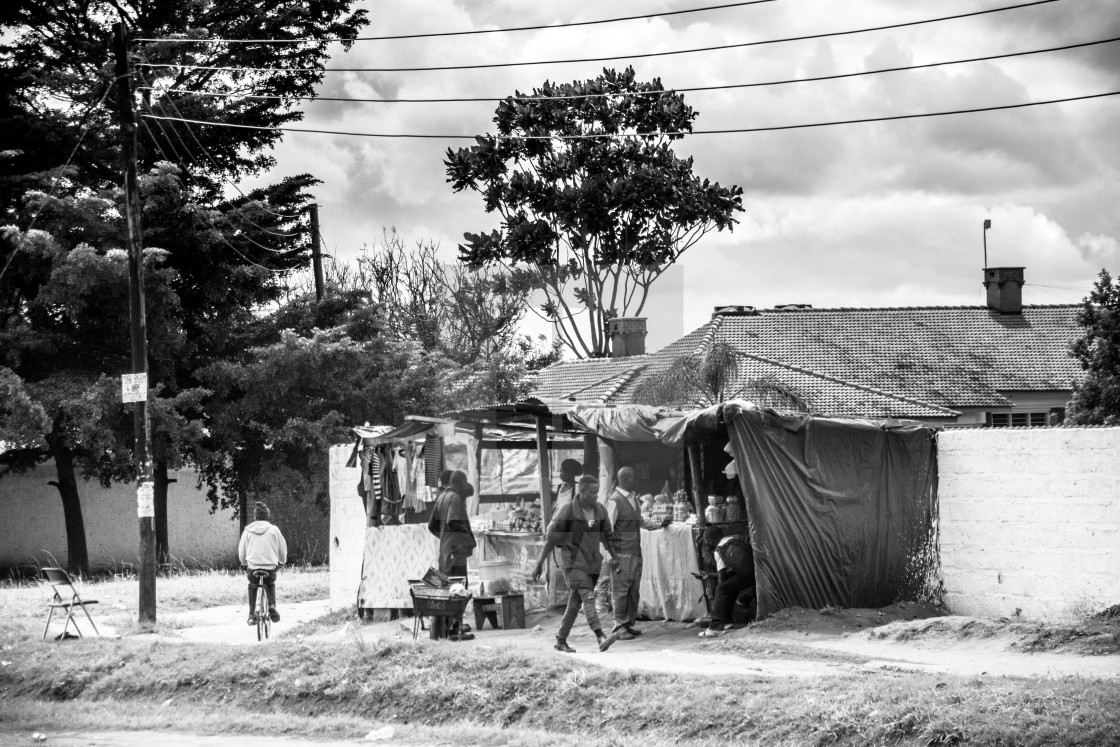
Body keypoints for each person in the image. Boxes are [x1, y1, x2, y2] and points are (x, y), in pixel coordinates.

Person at [532, 475, 623, 653]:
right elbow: (551, 539)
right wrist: (540, 563)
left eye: (597, 493)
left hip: (592, 562)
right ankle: (600, 637)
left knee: (574, 604)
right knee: (588, 597)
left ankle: (561, 640)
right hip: (573, 563)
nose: (596, 496)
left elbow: (608, 537)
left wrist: (614, 556)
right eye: (592, 493)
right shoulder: (567, 511)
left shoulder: (601, 511)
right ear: (581, 492)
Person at [606, 465, 671, 640]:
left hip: (634, 552)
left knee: (632, 591)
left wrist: (658, 525)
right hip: (620, 554)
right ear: (625, 479)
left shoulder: (633, 499)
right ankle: (619, 626)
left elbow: (640, 521)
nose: (637, 480)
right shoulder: (614, 501)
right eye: (634, 477)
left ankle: (627, 623)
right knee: (620, 591)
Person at [427, 470, 476, 640]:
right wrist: (467, 536)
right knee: (458, 590)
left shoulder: (441, 497)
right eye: (464, 483)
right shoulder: (455, 498)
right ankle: (455, 631)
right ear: (459, 483)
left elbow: (431, 525)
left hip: (446, 551)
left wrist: (445, 538)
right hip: (456, 551)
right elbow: (453, 522)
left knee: (448, 590)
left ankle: (449, 630)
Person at [698, 526, 756, 638]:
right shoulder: (735, 540)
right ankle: (726, 621)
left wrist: (719, 596)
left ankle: (716, 626)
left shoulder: (719, 550)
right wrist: (709, 575)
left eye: (706, 541)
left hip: (747, 576)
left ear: (710, 540)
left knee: (722, 589)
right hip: (756, 573)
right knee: (728, 587)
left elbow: (722, 578)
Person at [238, 501, 288, 626]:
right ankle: (271, 605)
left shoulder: (247, 531)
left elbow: (242, 551)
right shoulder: (273, 530)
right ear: (267, 516)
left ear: (255, 516)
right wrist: (282, 561)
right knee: (270, 584)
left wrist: (244, 562)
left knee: (252, 585)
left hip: (253, 568)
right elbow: (282, 549)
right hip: (270, 568)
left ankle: (251, 616)